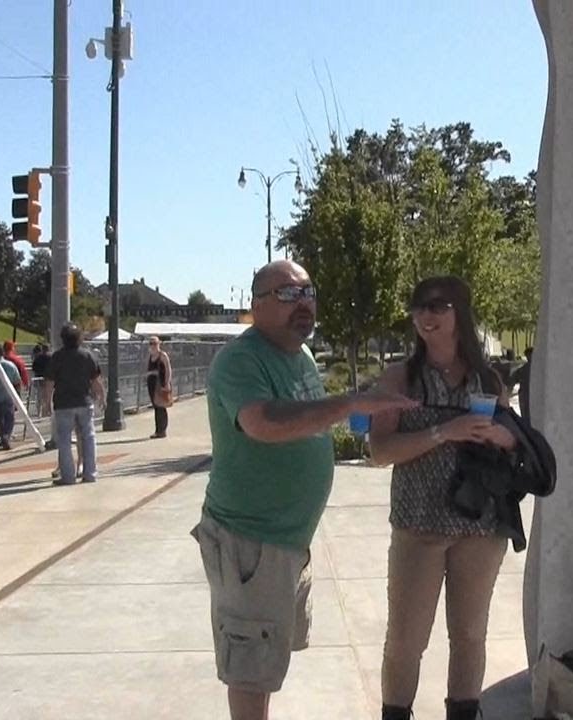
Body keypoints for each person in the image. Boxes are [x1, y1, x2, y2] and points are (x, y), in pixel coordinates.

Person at [193, 260, 415, 720]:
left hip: (289, 541)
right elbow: (262, 423)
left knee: (269, 654)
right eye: (288, 294)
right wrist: (349, 402)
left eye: (308, 291)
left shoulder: (302, 356)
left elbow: (313, 419)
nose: (304, 302)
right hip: (250, 543)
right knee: (251, 667)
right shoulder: (240, 360)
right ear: (256, 307)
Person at [367, 276, 517, 720]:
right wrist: (442, 432)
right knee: (406, 639)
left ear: (460, 315)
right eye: (419, 308)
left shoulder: (487, 378)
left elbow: (514, 442)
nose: (426, 316)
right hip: (419, 526)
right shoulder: (401, 378)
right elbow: (379, 450)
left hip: (480, 525)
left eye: (438, 306)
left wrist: (499, 436)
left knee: (470, 634)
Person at [45, 323, 105, 485]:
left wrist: (46, 402)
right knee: (88, 437)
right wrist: (102, 397)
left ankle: (68, 476)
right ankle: (90, 473)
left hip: (63, 404)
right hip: (84, 402)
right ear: (80, 338)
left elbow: (50, 383)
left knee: (64, 440)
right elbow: (96, 381)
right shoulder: (88, 356)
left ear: (62, 339)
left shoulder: (56, 357)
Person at [145, 336, 173, 438]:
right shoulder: (150, 356)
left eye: (155, 343)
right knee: (156, 407)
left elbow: (168, 369)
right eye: (151, 343)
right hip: (152, 384)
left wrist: (167, 382)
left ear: (159, 344)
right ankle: (158, 430)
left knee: (161, 406)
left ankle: (162, 430)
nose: (153, 345)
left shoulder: (163, 355)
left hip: (160, 383)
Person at [32, 343, 53, 417]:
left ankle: (39, 412)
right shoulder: (51, 357)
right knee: (48, 397)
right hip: (49, 379)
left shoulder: (38, 357)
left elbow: (34, 368)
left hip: (39, 379)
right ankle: (48, 412)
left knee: (40, 396)